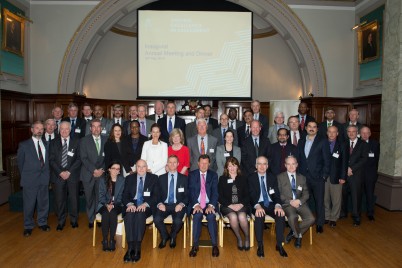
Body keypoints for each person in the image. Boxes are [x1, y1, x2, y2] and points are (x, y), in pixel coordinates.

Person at [248, 156, 287, 258]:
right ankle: (260, 245)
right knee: (259, 216)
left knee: (281, 215)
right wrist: (257, 206)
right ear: (256, 166)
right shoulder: (250, 177)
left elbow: (276, 195)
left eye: (264, 164)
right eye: (259, 164)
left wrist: (278, 206)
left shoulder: (272, 177)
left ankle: (279, 244)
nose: (262, 166)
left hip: (270, 203)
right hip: (257, 204)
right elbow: (250, 196)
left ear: (267, 166)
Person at [17, 121, 51, 237]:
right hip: (30, 180)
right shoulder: (24, 145)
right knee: (29, 204)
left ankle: (42, 222)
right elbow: (20, 164)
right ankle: (28, 225)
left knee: (43, 203)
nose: (39, 130)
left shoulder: (46, 144)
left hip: (44, 179)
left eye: (42, 128)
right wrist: (27, 176)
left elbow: (47, 163)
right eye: (37, 128)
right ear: (32, 130)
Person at [297, 121, 330, 233]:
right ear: (305, 128)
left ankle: (320, 224)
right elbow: (299, 158)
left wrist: (324, 176)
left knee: (319, 202)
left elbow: (327, 160)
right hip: (303, 177)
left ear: (317, 129)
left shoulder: (323, 141)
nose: (311, 129)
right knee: (305, 201)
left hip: (318, 177)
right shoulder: (301, 141)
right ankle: (308, 221)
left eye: (314, 127)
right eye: (309, 126)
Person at [122, 160, 157, 263]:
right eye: (138, 166)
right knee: (129, 215)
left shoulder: (153, 178)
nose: (141, 169)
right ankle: (130, 247)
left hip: (146, 205)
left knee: (140, 215)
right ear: (135, 168)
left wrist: (145, 204)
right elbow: (124, 195)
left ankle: (137, 248)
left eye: (143, 166)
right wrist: (129, 204)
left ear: (147, 167)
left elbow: (156, 196)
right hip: (132, 204)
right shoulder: (129, 178)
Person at [277, 156, 315, 249]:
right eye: (288, 164)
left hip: (300, 203)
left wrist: (299, 201)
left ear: (297, 165)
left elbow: (306, 194)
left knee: (311, 219)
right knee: (293, 217)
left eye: (293, 164)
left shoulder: (302, 178)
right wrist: (290, 201)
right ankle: (298, 237)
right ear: (285, 165)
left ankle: (293, 232)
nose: (291, 166)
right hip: (287, 204)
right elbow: (279, 194)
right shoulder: (279, 177)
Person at [49, 121, 81, 231]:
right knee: (59, 200)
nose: (64, 131)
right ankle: (61, 221)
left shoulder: (76, 142)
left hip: (72, 175)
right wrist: (61, 172)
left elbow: (79, 159)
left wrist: (69, 172)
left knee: (74, 198)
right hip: (58, 176)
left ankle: (74, 220)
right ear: (59, 129)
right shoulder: (53, 142)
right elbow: (51, 160)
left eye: (67, 128)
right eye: (62, 129)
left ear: (70, 129)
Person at [188, 155, 220, 258]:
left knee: (211, 216)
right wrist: (196, 205)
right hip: (196, 203)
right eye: (202, 163)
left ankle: (215, 245)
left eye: (206, 163)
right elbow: (190, 192)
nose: (204, 165)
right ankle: (195, 245)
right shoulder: (192, 174)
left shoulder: (213, 175)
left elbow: (215, 192)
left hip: (208, 203)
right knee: (197, 216)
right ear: (198, 163)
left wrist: (211, 205)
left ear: (209, 164)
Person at [154, 155, 188, 249]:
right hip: (164, 205)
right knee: (156, 219)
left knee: (177, 221)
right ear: (167, 164)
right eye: (170, 162)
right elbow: (157, 194)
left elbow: (187, 195)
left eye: (174, 162)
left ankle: (173, 236)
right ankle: (165, 236)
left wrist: (181, 204)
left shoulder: (184, 178)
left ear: (178, 164)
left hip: (178, 205)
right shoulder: (160, 178)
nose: (172, 164)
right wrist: (160, 203)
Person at [218, 157, 250, 250]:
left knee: (242, 217)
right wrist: (230, 205)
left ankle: (247, 237)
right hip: (227, 205)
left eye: (234, 165)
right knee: (233, 217)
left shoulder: (243, 178)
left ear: (237, 167)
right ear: (226, 168)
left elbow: (248, 195)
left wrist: (240, 204)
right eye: (230, 166)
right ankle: (239, 238)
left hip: (241, 205)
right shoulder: (222, 179)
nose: (232, 168)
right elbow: (220, 196)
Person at [79, 119, 106, 228]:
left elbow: (108, 157)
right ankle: (91, 219)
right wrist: (94, 170)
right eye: (93, 126)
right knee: (89, 198)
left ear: (101, 128)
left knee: (100, 198)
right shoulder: (84, 141)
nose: (96, 129)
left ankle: (99, 218)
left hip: (102, 174)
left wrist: (102, 170)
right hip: (88, 174)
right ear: (90, 128)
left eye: (98, 126)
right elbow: (83, 158)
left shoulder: (106, 139)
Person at [341, 125, 368, 226]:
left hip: (356, 174)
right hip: (344, 174)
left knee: (356, 196)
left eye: (353, 131)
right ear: (347, 132)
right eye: (349, 131)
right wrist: (345, 169)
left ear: (357, 133)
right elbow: (340, 158)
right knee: (343, 195)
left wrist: (351, 168)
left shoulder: (363, 144)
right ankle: (343, 213)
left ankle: (356, 217)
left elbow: (364, 159)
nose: (351, 133)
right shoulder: (343, 143)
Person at [97, 161, 125, 251]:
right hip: (103, 203)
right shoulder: (102, 179)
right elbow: (100, 196)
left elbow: (121, 196)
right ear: (109, 169)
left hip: (117, 204)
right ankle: (105, 240)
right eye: (113, 168)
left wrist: (112, 205)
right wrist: (106, 204)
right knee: (105, 213)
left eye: (118, 169)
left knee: (113, 213)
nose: (115, 171)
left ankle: (112, 240)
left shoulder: (122, 180)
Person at [324, 126, 347, 227]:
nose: (332, 134)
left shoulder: (342, 145)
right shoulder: (322, 143)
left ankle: (334, 218)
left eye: (334, 132)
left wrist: (343, 177)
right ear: (327, 133)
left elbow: (344, 163)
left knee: (336, 199)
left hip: (337, 176)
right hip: (324, 176)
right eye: (330, 132)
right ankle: (326, 216)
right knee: (325, 198)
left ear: (337, 133)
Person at [360, 126, 380, 221]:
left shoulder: (375, 144)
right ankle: (357, 212)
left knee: (369, 194)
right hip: (358, 174)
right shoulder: (356, 143)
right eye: (363, 133)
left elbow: (376, 160)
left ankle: (370, 213)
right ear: (360, 134)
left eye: (367, 133)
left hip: (370, 174)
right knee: (358, 194)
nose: (365, 135)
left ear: (370, 134)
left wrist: (374, 174)